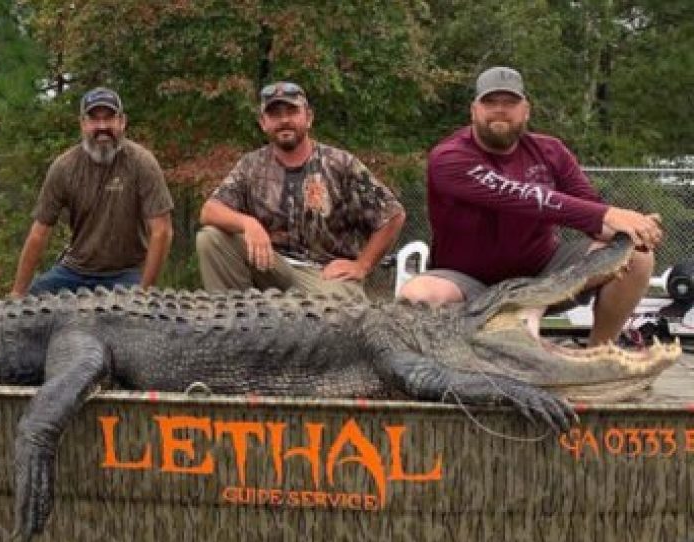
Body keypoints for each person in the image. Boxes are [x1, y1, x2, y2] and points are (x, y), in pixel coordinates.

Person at [398, 66, 663, 345]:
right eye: (490, 102)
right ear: (473, 110)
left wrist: (637, 230)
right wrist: (609, 214)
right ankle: (439, 364)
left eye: (509, 103)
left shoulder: (552, 151)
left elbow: (592, 217)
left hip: (544, 276)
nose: (500, 110)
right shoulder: (448, 157)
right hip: (465, 283)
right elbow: (519, 196)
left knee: (637, 255)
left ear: (526, 110)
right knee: (416, 295)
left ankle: (599, 355)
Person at [196, 81, 406, 299]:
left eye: (292, 111)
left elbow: (392, 215)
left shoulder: (340, 163)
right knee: (211, 238)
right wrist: (248, 224)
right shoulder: (251, 165)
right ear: (263, 123)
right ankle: (235, 323)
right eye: (275, 114)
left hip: (324, 275)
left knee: (330, 313)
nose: (284, 120)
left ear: (309, 118)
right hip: (272, 265)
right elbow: (209, 210)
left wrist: (362, 265)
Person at [10, 87, 174, 296]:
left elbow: (162, 231)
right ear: (83, 124)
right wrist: (17, 293)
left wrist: (145, 292)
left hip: (125, 273)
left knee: (132, 321)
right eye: (94, 119)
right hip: (73, 272)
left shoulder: (142, 163)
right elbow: (39, 233)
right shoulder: (64, 167)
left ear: (122, 122)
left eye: (109, 118)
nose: (102, 126)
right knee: (29, 306)